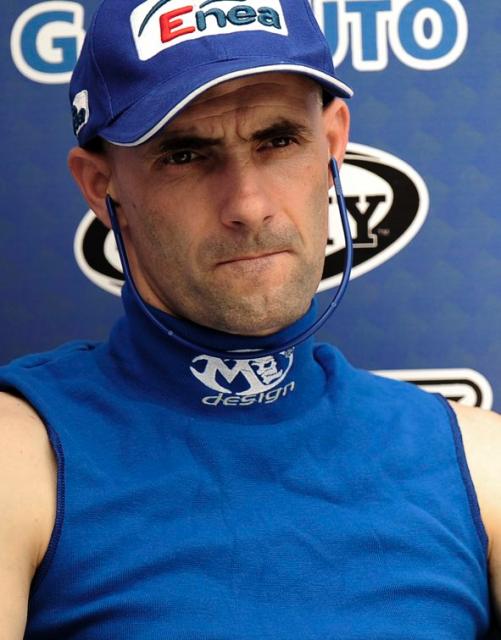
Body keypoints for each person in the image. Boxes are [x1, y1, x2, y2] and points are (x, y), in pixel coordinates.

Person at [1, 0, 500, 637]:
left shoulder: (479, 462)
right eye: (185, 154)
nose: (249, 204)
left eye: (279, 140)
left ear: (333, 143)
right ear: (102, 186)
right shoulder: (22, 457)